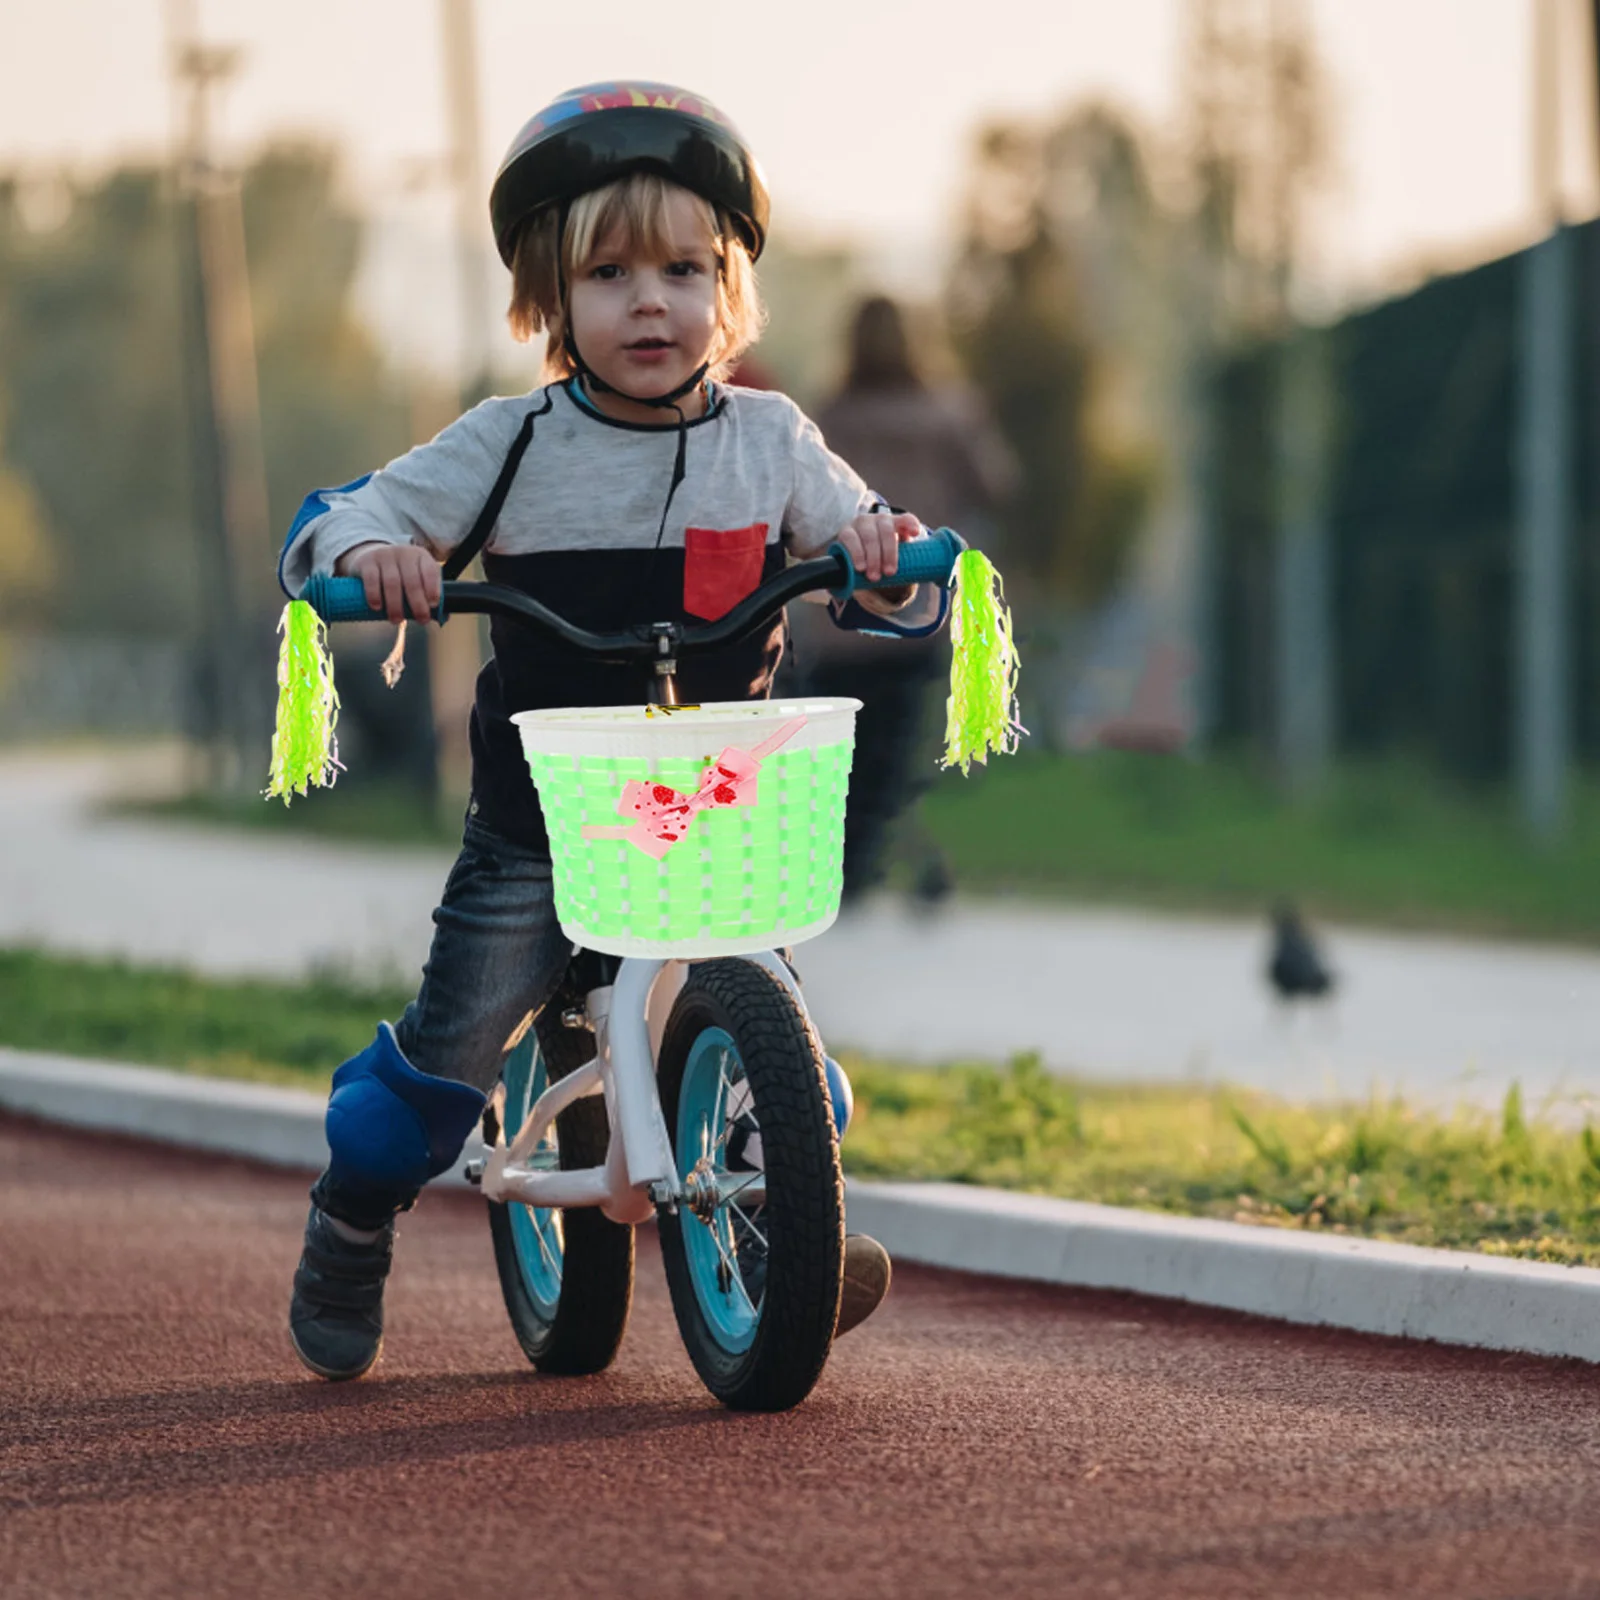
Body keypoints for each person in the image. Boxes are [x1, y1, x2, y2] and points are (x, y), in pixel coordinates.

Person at [276, 83, 946, 1382]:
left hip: (718, 819)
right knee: (451, 1056)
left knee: (794, 1068)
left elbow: (895, 571)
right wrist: (381, 556)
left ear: (731, 290)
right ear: (547, 295)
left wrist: (876, 551)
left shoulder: (771, 442)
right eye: (612, 271)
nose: (653, 301)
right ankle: (355, 1215)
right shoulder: (513, 445)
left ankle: (781, 1234)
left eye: (687, 269)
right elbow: (335, 521)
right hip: (544, 824)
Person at [789, 296, 1016, 902]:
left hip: (840, 613)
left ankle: (844, 860)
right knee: (892, 739)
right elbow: (996, 484)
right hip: (921, 603)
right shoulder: (949, 413)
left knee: (844, 748)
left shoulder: (827, 419)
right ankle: (866, 859)